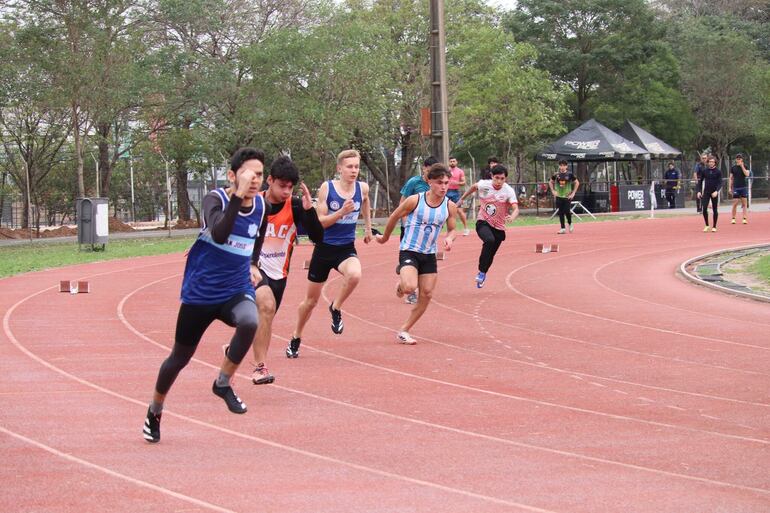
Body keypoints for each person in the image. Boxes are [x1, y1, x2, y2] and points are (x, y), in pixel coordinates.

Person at [143, 147, 268, 443]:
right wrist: (237, 195)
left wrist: (252, 263)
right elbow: (221, 232)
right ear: (232, 176)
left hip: (235, 289)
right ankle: (155, 409)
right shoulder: (217, 199)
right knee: (179, 357)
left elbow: (258, 233)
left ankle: (222, 382)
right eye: (248, 175)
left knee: (250, 321)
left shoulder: (261, 206)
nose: (254, 180)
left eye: (259, 175)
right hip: (201, 293)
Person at [233, 156, 324, 381]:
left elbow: (318, 237)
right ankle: (260, 368)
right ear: (270, 180)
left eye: (290, 187)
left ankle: (234, 351)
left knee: (261, 321)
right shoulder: (253, 202)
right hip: (251, 268)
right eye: (282, 186)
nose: (286, 191)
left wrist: (309, 211)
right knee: (265, 305)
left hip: (279, 274)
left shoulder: (294, 205)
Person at [286, 149, 373, 358]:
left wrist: (368, 227)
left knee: (355, 274)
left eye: (356, 167)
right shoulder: (328, 188)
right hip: (324, 249)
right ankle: (296, 337)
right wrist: (341, 213)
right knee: (310, 302)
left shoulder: (362, 188)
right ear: (339, 169)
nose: (354, 171)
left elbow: (366, 202)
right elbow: (320, 222)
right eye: (349, 167)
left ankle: (336, 307)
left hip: (346, 248)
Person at [375, 163, 458, 344]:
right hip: (409, 250)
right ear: (429, 182)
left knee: (426, 293)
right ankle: (401, 285)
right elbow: (394, 216)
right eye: (439, 182)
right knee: (410, 288)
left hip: (429, 254)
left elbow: (452, 229)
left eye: (446, 183)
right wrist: (384, 238)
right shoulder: (415, 200)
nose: (444, 187)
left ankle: (404, 330)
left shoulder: (449, 206)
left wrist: (450, 238)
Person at [459, 164, 519, 288]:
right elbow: (473, 187)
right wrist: (461, 200)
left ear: (505, 179)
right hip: (483, 222)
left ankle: (483, 272)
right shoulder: (483, 184)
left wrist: (512, 216)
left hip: (499, 226)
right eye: (497, 178)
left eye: (502, 178)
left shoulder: (508, 190)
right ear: (491, 176)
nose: (499, 181)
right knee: (489, 240)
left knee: (491, 253)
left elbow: (516, 208)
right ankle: (481, 271)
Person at [398, 156, 437, 304]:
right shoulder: (414, 182)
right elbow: (402, 203)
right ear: (424, 168)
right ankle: (411, 292)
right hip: (409, 228)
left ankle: (406, 270)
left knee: (424, 259)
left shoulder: (436, 185)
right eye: (430, 170)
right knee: (411, 255)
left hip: (426, 230)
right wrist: (406, 223)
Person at [549, 160, 580, 234]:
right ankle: (562, 228)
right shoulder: (556, 175)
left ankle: (570, 223)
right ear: (559, 166)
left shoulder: (570, 174)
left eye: (563, 165)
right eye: (561, 165)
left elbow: (577, 182)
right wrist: (553, 191)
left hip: (567, 196)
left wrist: (573, 193)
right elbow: (550, 182)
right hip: (559, 196)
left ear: (566, 166)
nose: (562, 167)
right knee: (560, 212)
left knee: (567, 211)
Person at [697, 156, 722, 232]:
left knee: (715, 209)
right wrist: (699, 191)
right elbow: (700, 181)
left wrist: (716, 191)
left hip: (714, 192)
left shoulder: (718, 171)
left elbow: (720, 183)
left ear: (715, 163)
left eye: (712, 162)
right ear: (708, 162)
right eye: (710, 161)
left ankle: (714, 226)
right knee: (704, 208)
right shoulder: (705, 171)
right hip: (706, 192)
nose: (711, 163)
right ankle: (707, 225)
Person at [447, 156, 470, 236]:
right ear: (449, 162)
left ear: (456, 162)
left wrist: (456, 183)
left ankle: (466, 228)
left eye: (454, 161)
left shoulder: (460, 171)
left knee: (460, 211)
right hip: (446, 192)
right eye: (451, 161)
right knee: (447, 212)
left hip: (456, 192)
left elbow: (463, 182)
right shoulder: (446, 171)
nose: (452, 162)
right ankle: (449, 230)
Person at [729, 153, 751, 225]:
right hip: (736, 187)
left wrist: (742, 166)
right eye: (737, 158)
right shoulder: (733, 168)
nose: (738, 159)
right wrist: (730, 187)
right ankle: (733, 218)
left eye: (740, 158)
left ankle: (744, 218)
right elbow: (731, 178)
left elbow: (747, 174)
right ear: (736, 159)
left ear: (742, 159)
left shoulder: (745, 166)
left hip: (743, 187)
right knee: (735, 203)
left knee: (744, 204)